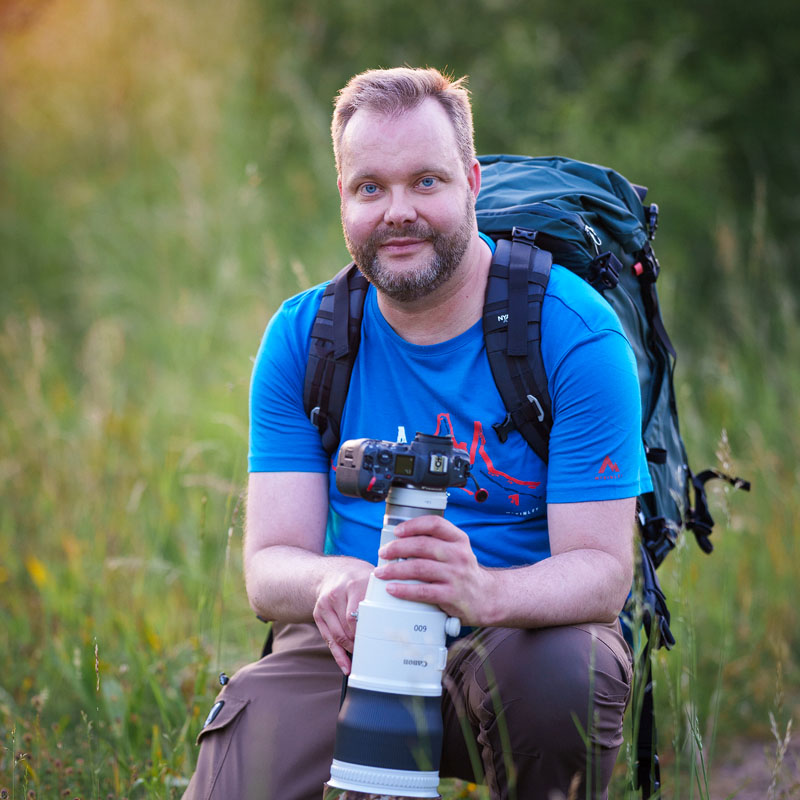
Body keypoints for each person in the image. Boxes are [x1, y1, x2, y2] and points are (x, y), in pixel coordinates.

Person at [183, 66, 652, 800]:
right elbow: (269, 566)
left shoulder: (574, 333)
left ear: (471, 182)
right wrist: (330, 578)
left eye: (425, 182)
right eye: (371, 188)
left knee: (567, 676)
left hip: (517, 633)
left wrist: (483, 594)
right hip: (355, 637)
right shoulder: (306, 338)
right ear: (343, 197)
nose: (397, 210)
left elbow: (602, 572)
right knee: (244, 758)